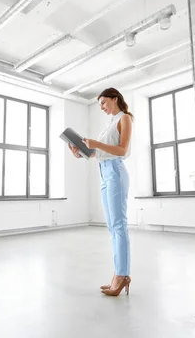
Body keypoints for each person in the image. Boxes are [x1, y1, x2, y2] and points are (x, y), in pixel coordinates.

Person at [68, 87, 133, 297]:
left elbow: (122, 150)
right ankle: (118, 274)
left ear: (115, 99)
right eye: (100, 105)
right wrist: (80, 153)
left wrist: (96, 143)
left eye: (104, 102)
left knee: (119, 225)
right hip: (104, 172)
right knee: (112, 227)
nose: (102, 107)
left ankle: (121, 276)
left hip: (115, 171)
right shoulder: (109, 124)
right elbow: (99, 153)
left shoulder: (125, 119)